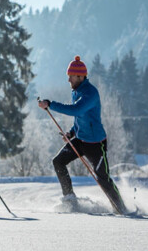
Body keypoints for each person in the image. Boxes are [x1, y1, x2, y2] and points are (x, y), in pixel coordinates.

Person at [38, 56, 126, 213]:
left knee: (102, 179)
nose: (69, 81)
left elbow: (76, 110)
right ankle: (70, 200)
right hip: (79, 139)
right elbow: (80, 117)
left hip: (95, 144)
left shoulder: (90, 94)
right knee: (58, 162)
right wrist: (71, 133)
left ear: (80, 76)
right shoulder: (76, 91)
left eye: (71, 77)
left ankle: (121, 209)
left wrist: (51, 104)